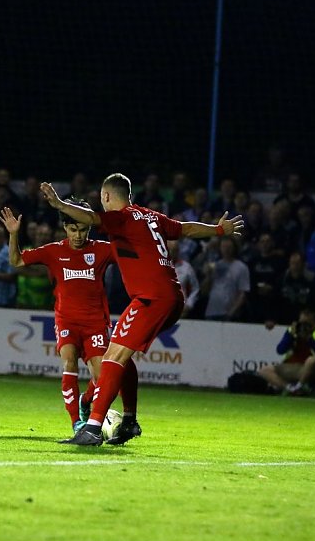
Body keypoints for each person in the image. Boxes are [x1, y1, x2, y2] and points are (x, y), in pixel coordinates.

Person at [39, 173, 243, 445]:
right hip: (172, 297)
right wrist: (218, 230)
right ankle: (129, 422)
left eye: (102, 198)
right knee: (123, 355)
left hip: (151, 299)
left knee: (112, 357)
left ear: (107, 196)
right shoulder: (151, 216)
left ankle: (91, 429)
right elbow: (186, 229)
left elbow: (89, 218)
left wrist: (60, 205)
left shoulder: (120, 218)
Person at [1, 199, 114, 433]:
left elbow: (131, 253)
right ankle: (77, 423)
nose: (78, 235)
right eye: (73, 229)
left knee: (103, 378)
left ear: (89, 228)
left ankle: (85, 401)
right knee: (69, 362)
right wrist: (13, 234)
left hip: (95, 323)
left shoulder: (103, 250)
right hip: (66, 321)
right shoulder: (54, 251)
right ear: (65, 228)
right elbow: (16, 260)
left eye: (83, 229)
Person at [256, 308, 315, 395]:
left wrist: (309, 338)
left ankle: (300, 385)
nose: (304, 327)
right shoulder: (292, 331)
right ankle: (290, 388)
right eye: (302, 323)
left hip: (307, 369)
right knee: (264, 370)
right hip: (292, 367)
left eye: (307, 324)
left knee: (312, 360)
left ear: (314, 324)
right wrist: (291, 336)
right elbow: (280, 350)